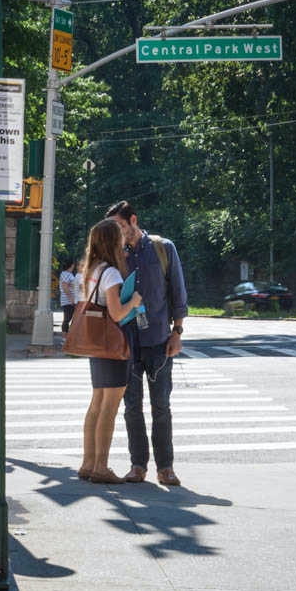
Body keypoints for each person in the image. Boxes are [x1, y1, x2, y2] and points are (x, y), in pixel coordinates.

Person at [107, 200, 188, 486]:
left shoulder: (163, 248)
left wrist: (177, 331)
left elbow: (178, 291)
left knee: (161, 406)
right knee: (132, 406)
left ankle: (165, 468)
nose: (118, 233)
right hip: (127, 341)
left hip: (158, 339)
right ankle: (137, 465)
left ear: (133, 220)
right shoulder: (114, 255)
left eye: (120, 226)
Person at [77, 219, 143, 484]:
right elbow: (116, 313)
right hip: (112, 344)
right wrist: (134, 301)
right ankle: (101, 467)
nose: (123, 240)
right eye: (119, 237)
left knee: (96, 403)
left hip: (96, 343)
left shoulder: (92, 269)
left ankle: (88, 463)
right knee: (109, 407)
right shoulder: (112, 273)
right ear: (112, 242)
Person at [57, 258, 81, 334]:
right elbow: (65, 287)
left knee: (71, 318)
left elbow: (70, 285)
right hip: (68, 301)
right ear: (72, 265)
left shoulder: (68, 274)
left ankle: (68, 334)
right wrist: (71, 299)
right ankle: (65, 335)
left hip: (70, 300)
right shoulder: (66, 274)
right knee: (67, 318)